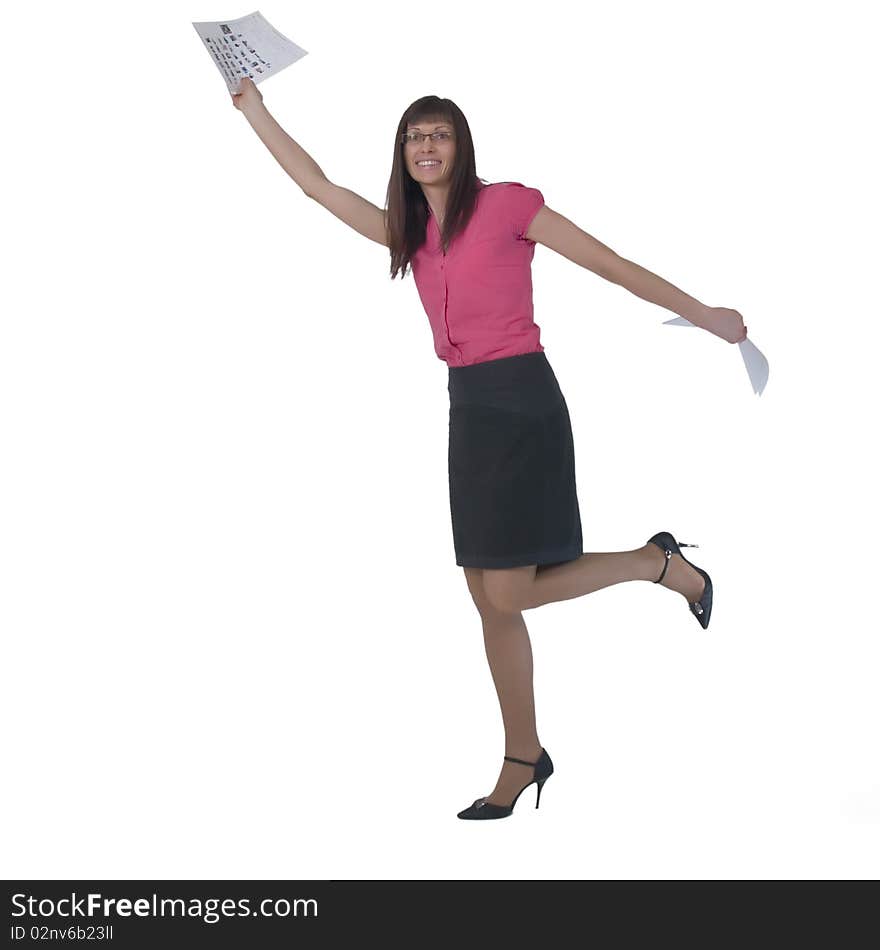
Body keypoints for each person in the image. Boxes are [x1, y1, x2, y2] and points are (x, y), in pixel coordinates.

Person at [231, 79, 748, 820]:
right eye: (415, 137)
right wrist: (255, 110)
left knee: (506, 590)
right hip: (468, 409)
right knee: (488, 600)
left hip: (523, 403)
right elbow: (316, 187)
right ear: (402, 155)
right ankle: (522, 754)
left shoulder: (508, 205)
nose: (427, 147)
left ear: (461, 146)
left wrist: (703, 314)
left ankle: (654, 564)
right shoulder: (408, 233)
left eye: (439, 134)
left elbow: (610, 264)